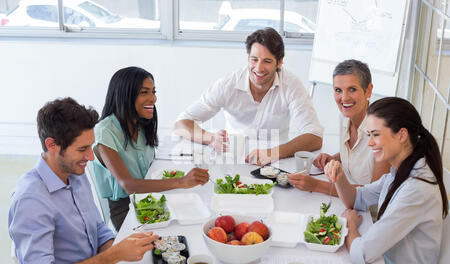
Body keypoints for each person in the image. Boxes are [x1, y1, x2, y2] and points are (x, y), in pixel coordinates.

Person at [8, 98, 159, 264]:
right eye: (82, 149)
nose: (90, 157)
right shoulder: (31, 200)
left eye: (90, 146)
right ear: (52, 145)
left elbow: (98, 230)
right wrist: (114, 255)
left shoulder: (75, 174)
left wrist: (126, 246)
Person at [324, 97, 448, 264]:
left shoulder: (417, 188)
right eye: (368, 135)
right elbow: (357, 199)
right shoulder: (402, 169)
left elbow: (361, 252)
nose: (369, 143)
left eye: (375, 135)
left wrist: (350, 226)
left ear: (401, 135)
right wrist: (339, 176)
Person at [173, 27, 323, 166]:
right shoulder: (228, 84)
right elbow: (180, 124)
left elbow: (315, 136)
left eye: (267, 61)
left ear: (279, 63)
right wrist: (210, 138)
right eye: (254, 59)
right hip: (232, 160)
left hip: (276, 162)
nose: (258, 68)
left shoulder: (292, 85)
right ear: (248, 58)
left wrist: (272, 153)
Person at [93, 67, 210, 232]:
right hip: (125, 208)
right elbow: (129, 185)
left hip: (149, 197)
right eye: (144, 92)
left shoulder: (141, 122)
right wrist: (182, 181)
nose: (153, 98)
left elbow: (150, 163)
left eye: (153, 92)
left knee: (197, 220)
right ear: (125, 94)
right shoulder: (105, 130)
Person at [288, 59, 390, 195]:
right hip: (348, 198)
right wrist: (334, 158)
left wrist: (317, 185)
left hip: (370, 212)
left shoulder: (381, 132)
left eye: (352, 89)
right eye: (338, 90)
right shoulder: (345, 116)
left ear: (368, 91)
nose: (344, 98)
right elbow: (357, 154)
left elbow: (376, 193)